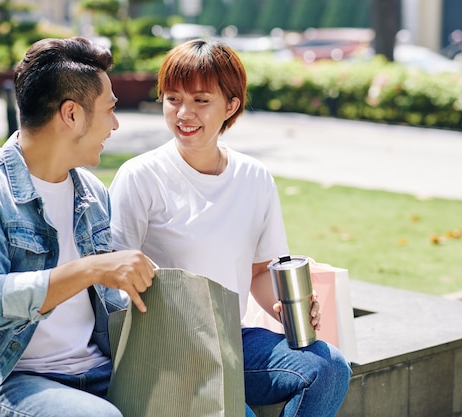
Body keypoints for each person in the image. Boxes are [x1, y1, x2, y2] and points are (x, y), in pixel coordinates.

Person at [109, 39, 352, 417]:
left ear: (231, 105)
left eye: (201, 100)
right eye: (172, 99)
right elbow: (112, 281)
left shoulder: (254, 177)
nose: (183, 113)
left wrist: (290, 307)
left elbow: (258, 270)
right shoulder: (141, 176)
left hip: (232, 342)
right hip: (167, 348)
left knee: (330, 367)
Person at [0, 37, 156, 417]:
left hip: (97, 369)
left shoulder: (92, 194)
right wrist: (90, 270)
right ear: (71, 114)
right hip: (7, 379)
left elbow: (109, 305)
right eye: (109, 110)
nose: (115, 125)